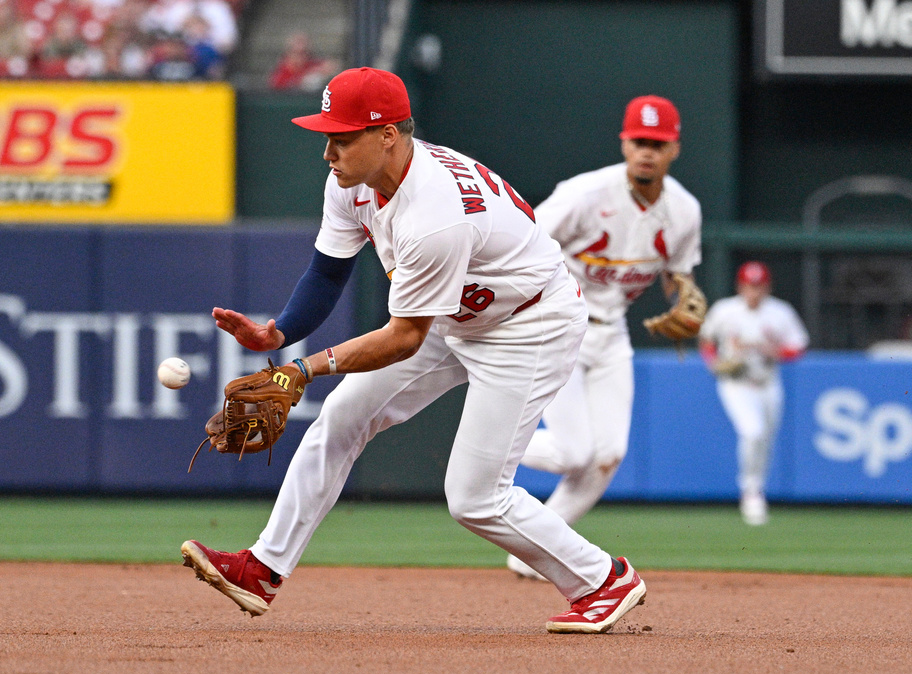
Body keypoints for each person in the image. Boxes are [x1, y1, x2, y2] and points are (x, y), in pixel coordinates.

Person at [180, 67, 646, 634]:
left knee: (474, 498)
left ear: (388, 136)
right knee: (343, 416)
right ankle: (263, 569)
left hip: (529, 324)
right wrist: (280, 333)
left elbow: (404, 337)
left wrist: (304, 368)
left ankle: (602, 579)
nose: (329, 151)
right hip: (458, 317)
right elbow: (329, 273)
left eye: (342, 137)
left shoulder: (434, 214)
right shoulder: (352, 183)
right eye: (326, 135)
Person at [506, 95, 702, 580]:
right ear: (624, 142)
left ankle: (528, 553)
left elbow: (679, 274)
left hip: (613, 335)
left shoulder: (684, 210)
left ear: (674, 148)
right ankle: (475, 445)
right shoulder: (584, 194)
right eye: (639, 141)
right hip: (557, 326)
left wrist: (687, 296)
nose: (647, 152)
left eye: (657, 143)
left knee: (606, 457)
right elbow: (518, 236)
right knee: (575, 453)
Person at [699, 261, 808, 525]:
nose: (754, 292)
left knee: (765, 441)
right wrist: (714, 362)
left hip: (768, 383)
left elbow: (798, 346)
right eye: (749, 286)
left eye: (758, 286)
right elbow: (706, 340)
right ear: (740, 286)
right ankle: (751, 492)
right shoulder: (726, 310)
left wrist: (776, 352)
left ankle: (756, 487)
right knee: (753, 431)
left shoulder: (780, 312)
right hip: (736, 384)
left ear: (767, 287)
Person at [267, 31, 336, 91]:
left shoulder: (312, 64)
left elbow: (331, 68)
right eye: (297, 53)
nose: (300, 58)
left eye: (304, 53)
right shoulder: (281, 73)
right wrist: (302, 80)